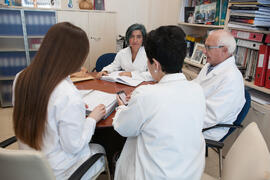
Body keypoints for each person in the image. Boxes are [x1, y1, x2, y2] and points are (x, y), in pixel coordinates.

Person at [12, 22, 106, 180]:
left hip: (28, 165)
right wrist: (92, 119)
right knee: (101, 148)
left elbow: (44, 106)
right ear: (73, 57)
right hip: (58, 172)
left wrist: (73, 109)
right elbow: (74, 146)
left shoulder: (21, 77)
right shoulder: (68, 95)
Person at [112, 26, 206, 180]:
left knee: (126, 147)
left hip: (156, 175)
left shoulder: (146, 94)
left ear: (155, 64)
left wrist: (122, 107)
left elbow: (123, 128)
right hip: (190, 172)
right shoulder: (197, 90)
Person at [193, 29, 245, 141]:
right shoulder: (211, 65)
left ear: (225, 50)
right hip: (195, 113)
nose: (204, 51)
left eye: (208, 47)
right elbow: (195, 86)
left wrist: (181, 117)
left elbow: (211, 117)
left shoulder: (232, 78)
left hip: (208, 129)